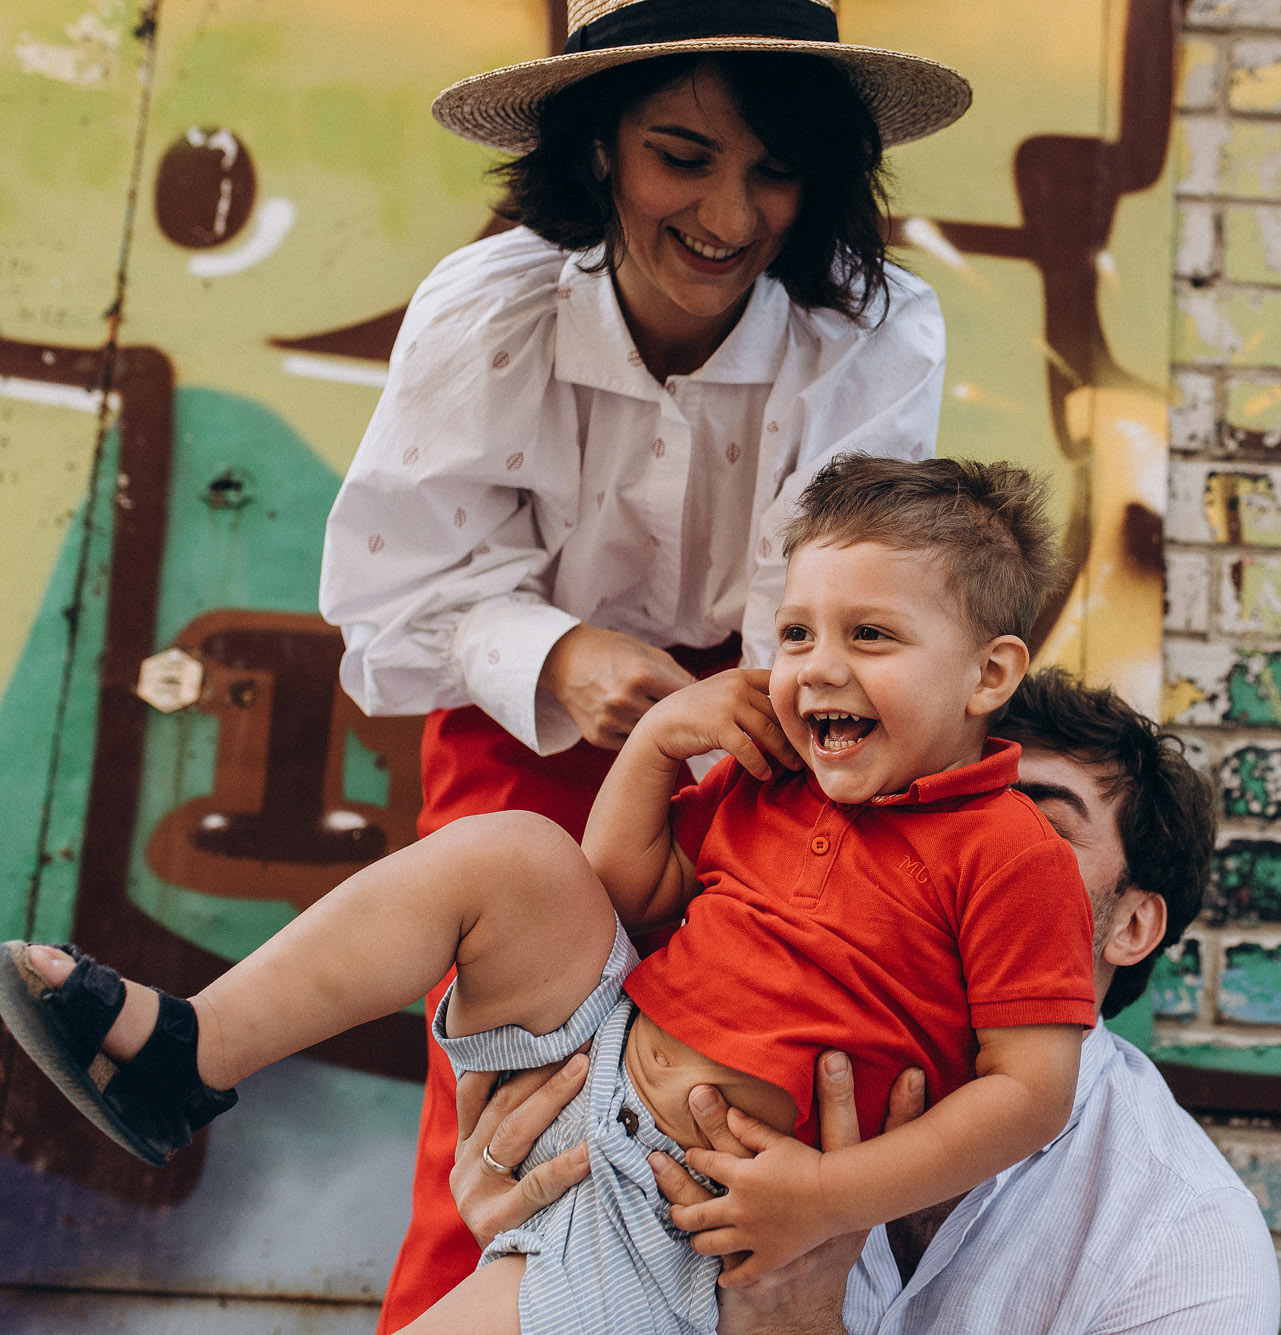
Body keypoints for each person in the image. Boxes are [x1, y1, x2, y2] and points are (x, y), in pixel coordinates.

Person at [0, 457, 1100, 1334]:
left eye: (871, 635)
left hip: (684, 1221)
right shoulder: (772, 787)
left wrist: (830, 1199)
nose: (816, 665)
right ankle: (189, 1052)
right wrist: (656, 750)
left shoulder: (1009, 854)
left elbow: (1030, 1093)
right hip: (594, 1066)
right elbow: (620, 898)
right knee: (517, 853)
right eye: (796, 633)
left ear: (989, 676)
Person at [315, 3, 973, 1324]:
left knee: (727, 1120)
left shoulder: (877, 331)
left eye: (775, 170)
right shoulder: (485, 312)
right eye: (685, 155)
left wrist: (712, 739)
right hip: (527, 748)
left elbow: (830, 602)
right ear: (600, 142)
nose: (730, 215)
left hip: (783, 745)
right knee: (507, 1121)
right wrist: (558, 656)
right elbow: (383, 609)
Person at [453, 669, 1281, 1334]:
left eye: (1035, 829)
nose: (966, 860)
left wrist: (799, 1325)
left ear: (1133, 924)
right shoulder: (691, 1002)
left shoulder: (1181, 1239)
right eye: (928, 820)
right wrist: (529, 1207)